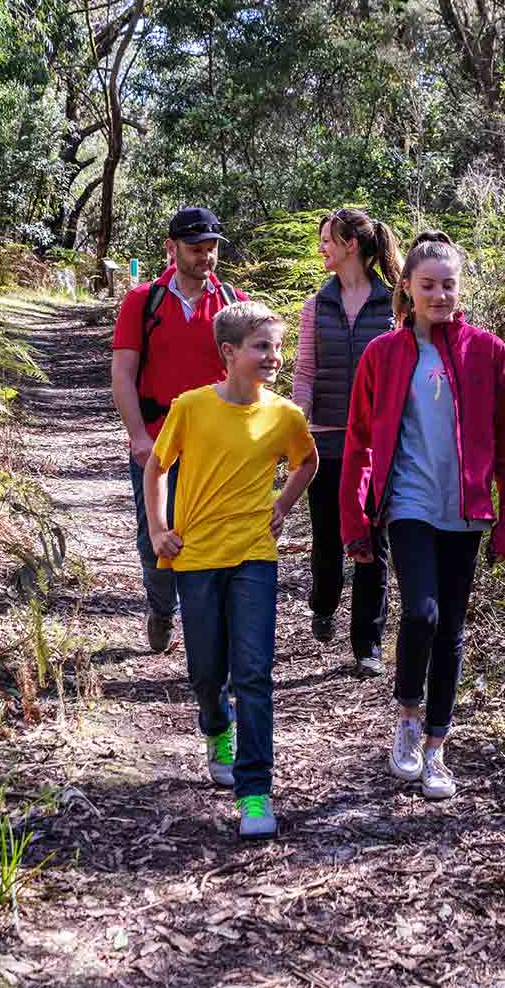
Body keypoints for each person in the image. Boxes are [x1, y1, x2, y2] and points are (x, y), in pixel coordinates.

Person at [339, 233, 505, 801]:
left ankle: (438, 746)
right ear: (408, 289)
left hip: (464, 510)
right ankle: (408, 720)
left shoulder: (489, 352)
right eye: (428, 286)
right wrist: (355, 519)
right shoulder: (384, 354)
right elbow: (361, 440)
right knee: (421, 613)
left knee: (451, 628)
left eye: (448, 285)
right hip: (410, 505)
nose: (439, 295)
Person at [142, 301, 317, 839]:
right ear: (229, 353)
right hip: (195, 557)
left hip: (253, 558)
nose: (274, 356)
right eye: (262, 346)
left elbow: (306, 461)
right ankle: (217, 727)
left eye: (278, 346)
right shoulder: (191, 408)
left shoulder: (285, 415)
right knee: (206, 670)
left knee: (254, 672)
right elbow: (156, 467)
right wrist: (157, 529)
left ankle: (256, 791)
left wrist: (283, 505)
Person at [111, 206, 247, 653]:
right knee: (156, 533)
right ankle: (161, 608)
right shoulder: (142, 301)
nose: (204, 257)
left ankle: (206, 631)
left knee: (211, 536)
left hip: (217, 445)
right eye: (195, 249)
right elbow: (123, 375)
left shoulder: (232, 303)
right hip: (158, 438)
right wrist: (139, 438)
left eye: (210, 249)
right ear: (171, 249)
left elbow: (248, 377)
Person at [290, 207, 400, 675]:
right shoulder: (317, 305)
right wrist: (296, 428)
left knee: (375, 540)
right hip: (328, 439)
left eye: (327, 241)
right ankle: (323, 601)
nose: (322, 249)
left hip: (379, 443)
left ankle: (367, 645)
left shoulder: (393, 302)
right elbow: (306, 373)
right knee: (329, 535)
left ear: (350, 244)